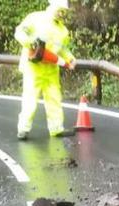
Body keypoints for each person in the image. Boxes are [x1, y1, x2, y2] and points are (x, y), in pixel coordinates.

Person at [14, 0, 76, 140]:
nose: (61, 13)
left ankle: (56, 128)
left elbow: (62, 49)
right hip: (33, 68)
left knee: (54, 99)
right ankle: (23, 129)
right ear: (52, 6)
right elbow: (19, 32)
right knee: (30, 100)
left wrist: (70, 58)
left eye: (64, 11)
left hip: (51, 69)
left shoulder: (63, 30)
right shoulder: (36, 18)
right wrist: (30, 42)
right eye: (60, 9)